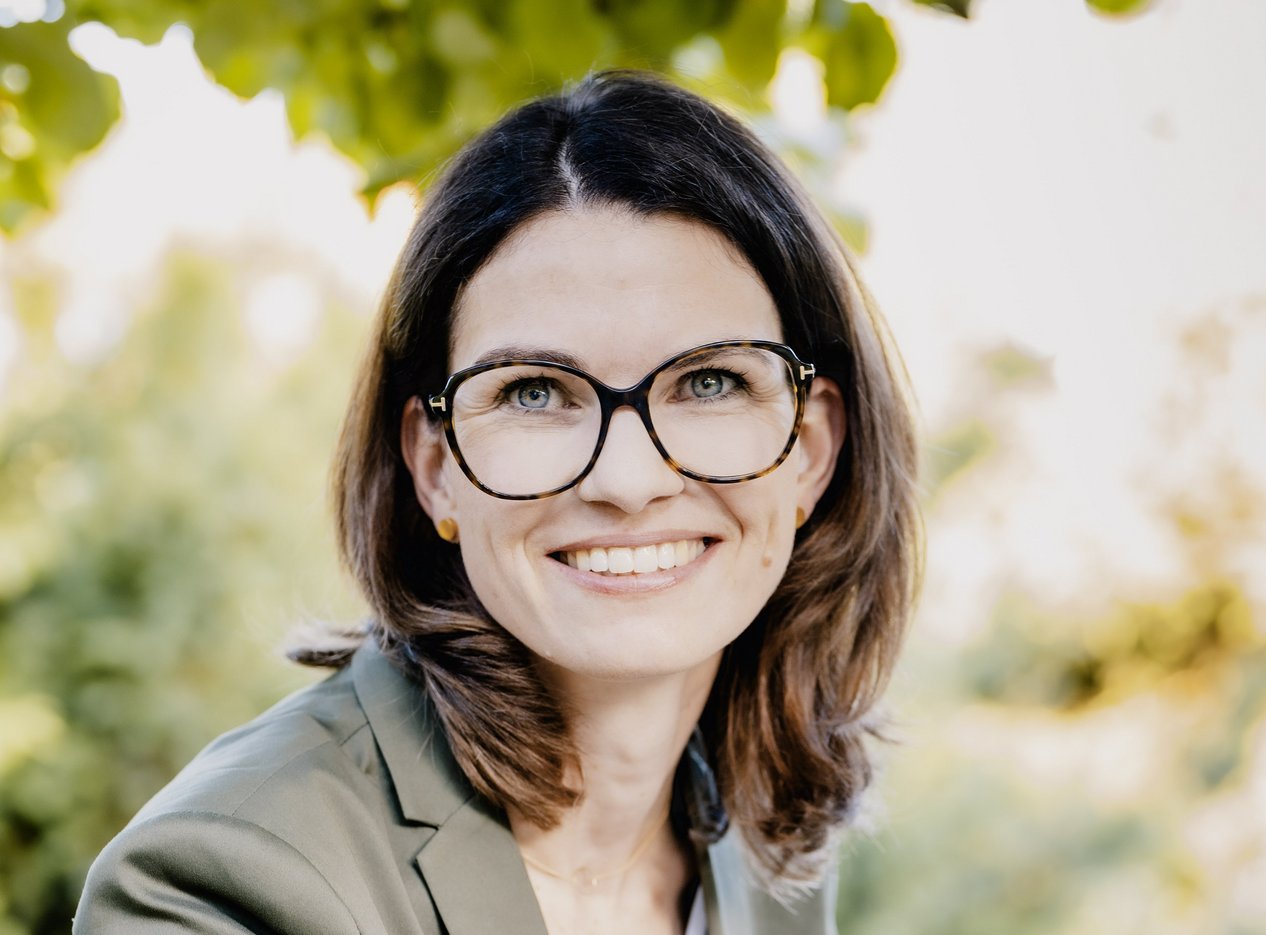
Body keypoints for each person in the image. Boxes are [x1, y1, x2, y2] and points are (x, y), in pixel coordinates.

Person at [75, 70, 921, 934]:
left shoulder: (768, 856)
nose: (628, 483)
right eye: (533, 392)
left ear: (812, 451)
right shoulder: (219, 885)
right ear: (435, 465)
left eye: (709, 381)